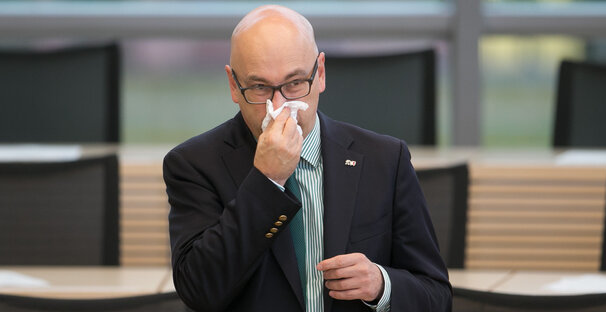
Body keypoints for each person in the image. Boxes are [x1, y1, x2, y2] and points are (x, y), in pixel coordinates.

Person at [163, 4, 451, 312]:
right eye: (260, 87)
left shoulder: (384, 159)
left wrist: (382, 285)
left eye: (295, 84)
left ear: (321, 74)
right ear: (234, 85)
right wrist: (267, 181)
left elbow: (436, 296)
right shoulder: (194, 165)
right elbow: (199, 290)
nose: (280, 105)